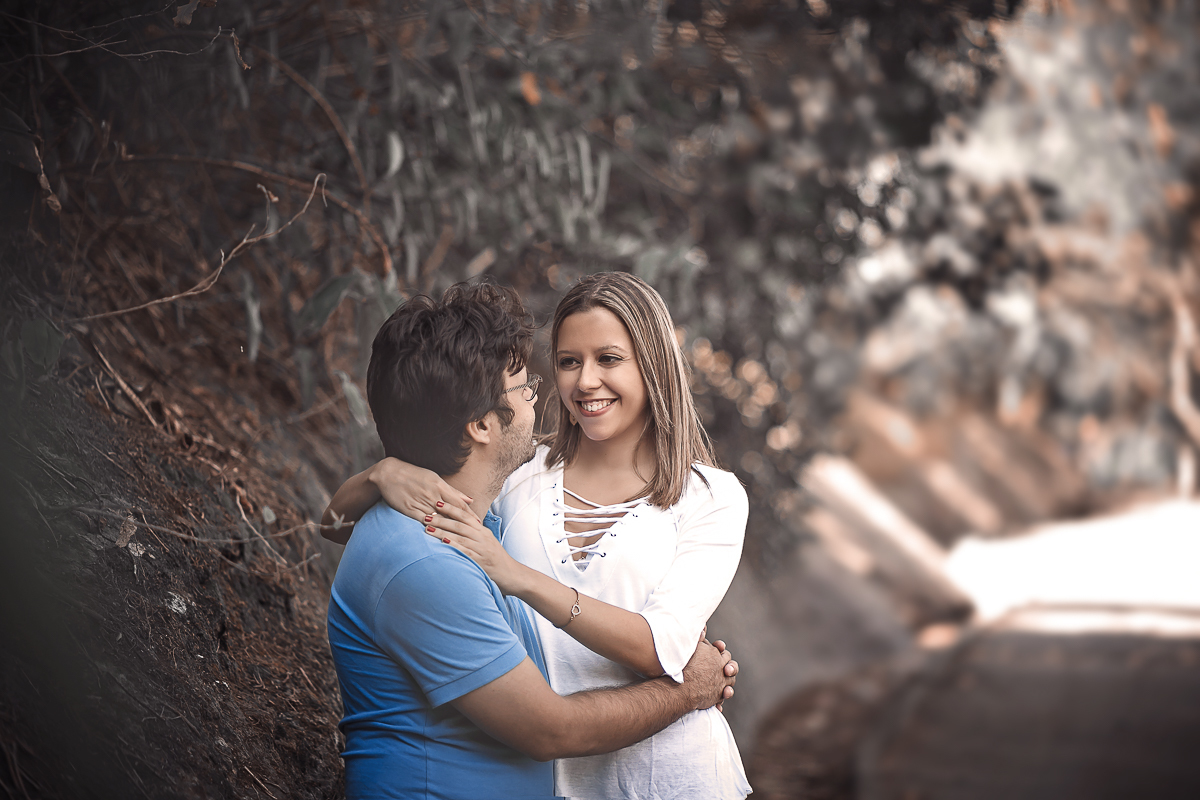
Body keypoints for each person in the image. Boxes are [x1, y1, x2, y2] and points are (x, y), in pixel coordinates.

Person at [325, 272, 751, 799]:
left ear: (654, 364)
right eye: (569, 362)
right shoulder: (523, 473)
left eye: (609, 359)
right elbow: (337, 528)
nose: (584, 381)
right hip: (559, 769)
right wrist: (380, 473)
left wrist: (518, 578)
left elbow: (663, 649)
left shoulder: (711, 495)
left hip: (668, 773)